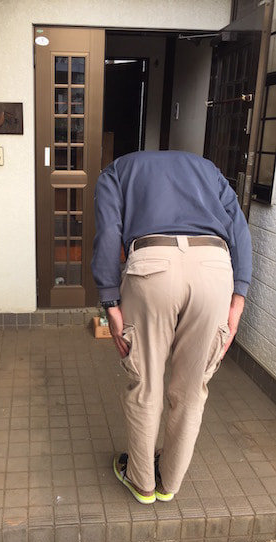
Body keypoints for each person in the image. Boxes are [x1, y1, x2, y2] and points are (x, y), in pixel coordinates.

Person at [91, 150, 251, 504]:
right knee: (192, 388)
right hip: (214, 268)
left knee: (145, 384)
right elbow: (238, 228)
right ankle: (169, 483)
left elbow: (108, 233)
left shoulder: (115, 172)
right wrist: (238, 298)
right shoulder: (208, 169)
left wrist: (110, 302)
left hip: (152, 267)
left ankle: (142, 482)